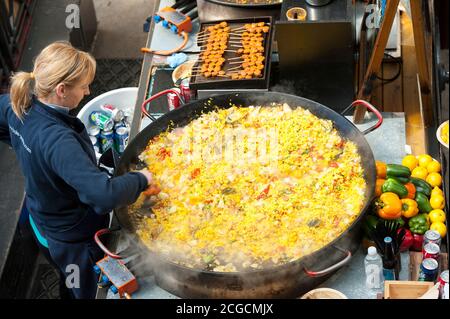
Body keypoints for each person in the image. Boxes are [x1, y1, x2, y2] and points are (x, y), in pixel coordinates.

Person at [0, 41, 154, 299]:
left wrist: (26, 150)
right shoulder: (59, 142)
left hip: (43, 222)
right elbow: (103, 196)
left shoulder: (18, 104)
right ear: (61, 90)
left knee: (66, 278)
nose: (87, 91)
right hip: (73, 239)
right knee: (85, 290)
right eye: (83, 86)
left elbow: (23, 138)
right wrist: (142, 178)